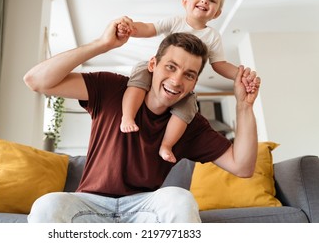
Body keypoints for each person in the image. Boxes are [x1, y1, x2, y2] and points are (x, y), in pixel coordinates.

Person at [23, 17, 261, 223]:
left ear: (194, 84)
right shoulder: (113, 88)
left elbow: (242, 167)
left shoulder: (191, 124)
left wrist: (244, 105)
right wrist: (102, 44)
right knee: (47, 205)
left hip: (144, 210)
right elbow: (36, 81)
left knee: (179, 199)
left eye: (188, 75)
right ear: (152, 65)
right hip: (89, 205)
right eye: (170, 67)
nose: (177, 81)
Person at [117, 0, 257, 163]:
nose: (204, 1)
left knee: (187, 108)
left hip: (184, 85)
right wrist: (132, 28)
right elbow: (150, 28)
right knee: (137, 80)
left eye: (212, 0)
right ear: (185, 2)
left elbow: (219, 64)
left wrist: (241, 75)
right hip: (158, 73)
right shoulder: (176, 21)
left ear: (217, 13)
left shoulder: (212, 36)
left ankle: (166, 145)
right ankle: (127, 117)